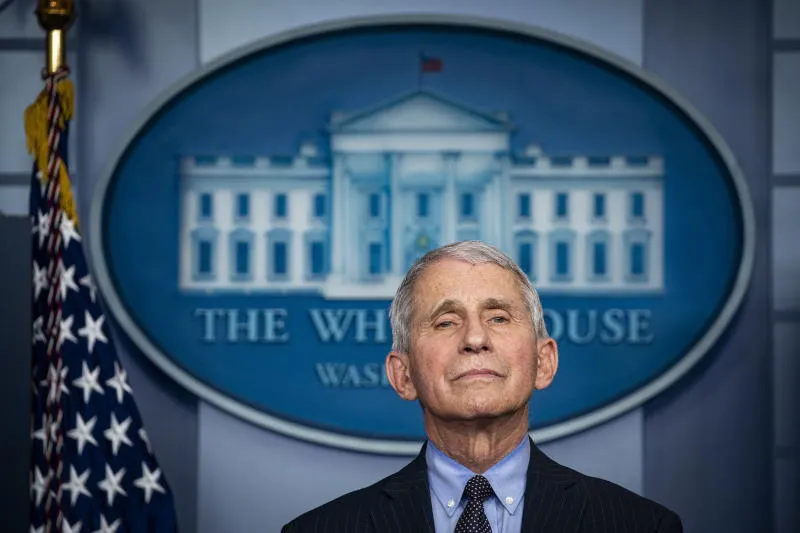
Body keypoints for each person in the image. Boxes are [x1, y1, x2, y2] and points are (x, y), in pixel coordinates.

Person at [282, 240, 682, 532]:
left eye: (499, 318)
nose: (475, 338)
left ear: (544, 362)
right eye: (446, 322)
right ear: (403, 375)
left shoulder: (641, 526)